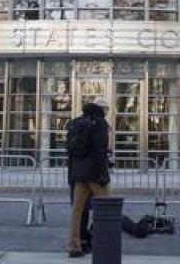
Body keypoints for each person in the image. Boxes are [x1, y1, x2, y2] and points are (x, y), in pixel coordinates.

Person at [66, 96, 110, 258]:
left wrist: (71, 175)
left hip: (78, 174)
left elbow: (70, 151)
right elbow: (100, 151)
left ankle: (74, 245)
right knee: (106, 208)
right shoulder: (100, 124)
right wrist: (103, 173)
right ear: (101, 111)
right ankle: (104, 242)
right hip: (95, 174)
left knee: (77, 211)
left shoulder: (76, 123)